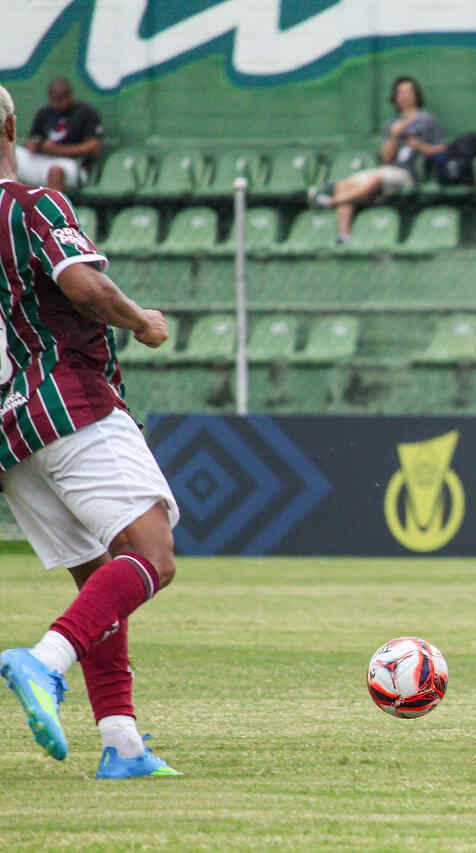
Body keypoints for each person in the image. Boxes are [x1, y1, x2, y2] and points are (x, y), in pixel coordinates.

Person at [0, 84, 182, 776]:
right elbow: (83, 287)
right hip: (67, 398)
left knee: (101, 578)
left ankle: (122, 742)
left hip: (11, 435)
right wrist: (142, 321)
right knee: (153, 554)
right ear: (14, 126)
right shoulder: (31, 204)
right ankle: (44, 661)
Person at [310, 76, 444, 243]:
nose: (405, 96)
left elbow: (441, 149)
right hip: (388, 170)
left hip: (408, 175)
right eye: (400, 93)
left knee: (376, 179)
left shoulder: (428, 120)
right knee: (344, 185)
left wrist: (420, 146)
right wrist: (394, 135)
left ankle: (330, 202)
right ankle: (344, 236)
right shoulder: (391, 124)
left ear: (416, 95)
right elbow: (387, 159)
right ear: (395, 98)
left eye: (408, 92)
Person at [15, 77, 102, 193]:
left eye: (60, 100)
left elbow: (94, 148)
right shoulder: (44, 112)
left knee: (55, 171)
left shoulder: (87, 112)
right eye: (53, 100)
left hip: (72, 164)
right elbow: (32, 139)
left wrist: (57, 149)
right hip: (44, 160)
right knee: (9, 154)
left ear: (70, 96)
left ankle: (54, 205)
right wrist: (34, 145)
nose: (56, 104)